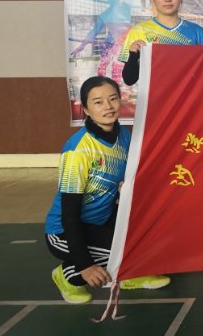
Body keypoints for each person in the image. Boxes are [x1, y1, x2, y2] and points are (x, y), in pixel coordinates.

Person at [44, 76, 170, 304]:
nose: (108, 106)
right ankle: (67, 275)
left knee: (153, 241)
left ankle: (127, 274)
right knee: (125, 254)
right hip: (63, 231)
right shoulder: (78, 150)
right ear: (86, 110)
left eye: (112, 99)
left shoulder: (124, 137)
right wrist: (85, 265)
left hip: (102, 221)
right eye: (98, 102)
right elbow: (69, 215)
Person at [119, 0, 203, 85]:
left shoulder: (197, 32)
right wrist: (133, 55)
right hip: (153, 96)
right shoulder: (138, 30)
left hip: (188, 96)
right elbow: (129, 80)